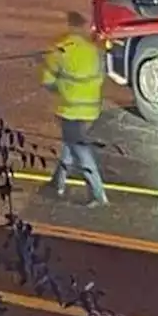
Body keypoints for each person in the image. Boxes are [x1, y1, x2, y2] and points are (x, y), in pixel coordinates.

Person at [42, 11, 109, 207]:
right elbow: (101, 76)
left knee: (79, 148)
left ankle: (98, 193)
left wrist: (62, 87)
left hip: (70, 108)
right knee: (69, 144)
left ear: (69, 26)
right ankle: (57, 183)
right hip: (91, 109)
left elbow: (47, 81)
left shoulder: (60, 50)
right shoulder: (93, 49)